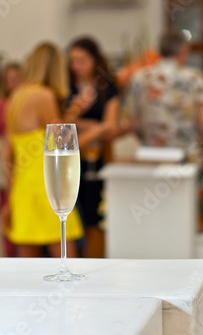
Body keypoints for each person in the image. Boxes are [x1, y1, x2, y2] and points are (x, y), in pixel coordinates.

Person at [3, 42, 83, 257]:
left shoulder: (14, 98)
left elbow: (7, 154)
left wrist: (9, 196)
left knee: (27, 263)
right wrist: (78, 113)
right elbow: (63, 142)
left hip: (22, 187)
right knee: (65, 256)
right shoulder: (44, 96)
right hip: (46, 185)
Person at [65, 37, 121, 258]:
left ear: (95, 61)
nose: (76, 66)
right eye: (72, 61)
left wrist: (87, 129)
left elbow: (111, 126)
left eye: (81, 60)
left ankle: (94, 259)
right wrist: (96, 126)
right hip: (71, 159)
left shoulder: (107, 87)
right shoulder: (66, 85)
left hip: (98, 158)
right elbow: (61, 124)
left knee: (96, 213)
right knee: (71, 211)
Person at [127, 30, 203, 164]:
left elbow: (132, 124)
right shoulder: (194, 77)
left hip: (151, 156)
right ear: (183, 51)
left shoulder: (139, 77)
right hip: (186, 156)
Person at [0, 62, 21, 257]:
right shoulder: (2, 104)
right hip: (9, 159)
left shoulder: (21, 102)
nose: (12, 84)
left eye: (16, 79)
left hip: (22, 161)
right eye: (8, 80)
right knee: (6, 205)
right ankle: (10, 253)